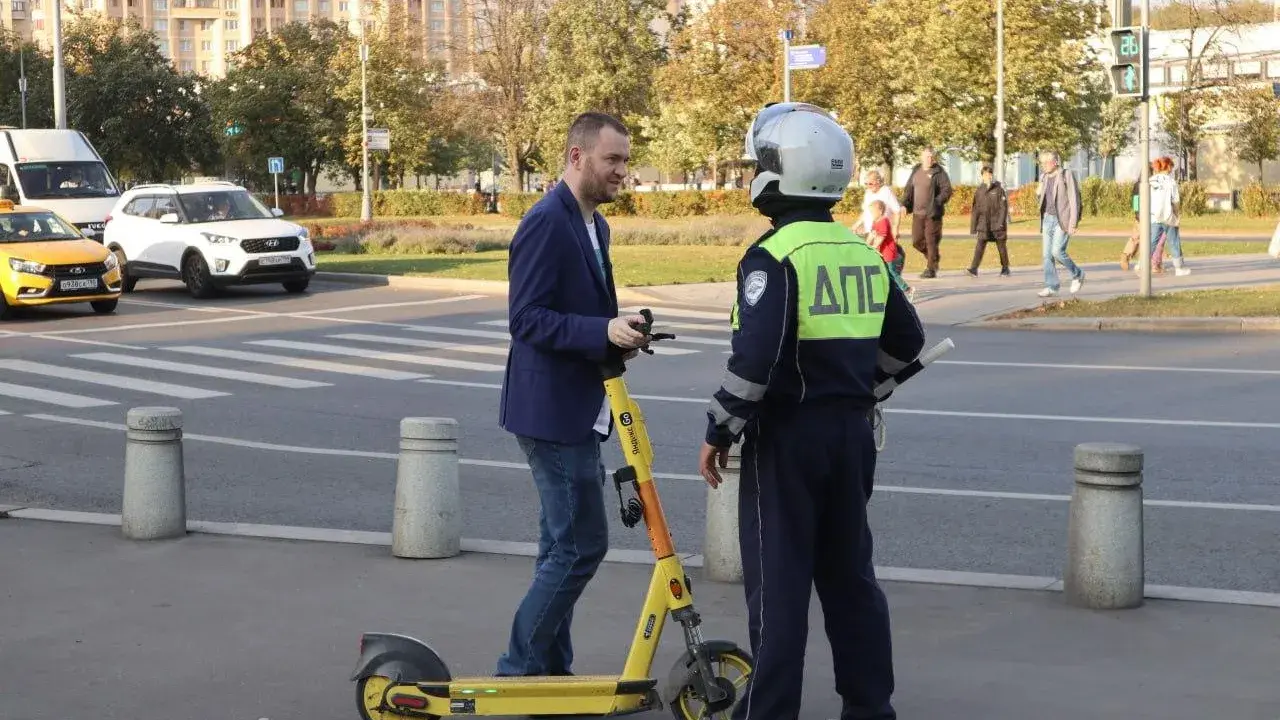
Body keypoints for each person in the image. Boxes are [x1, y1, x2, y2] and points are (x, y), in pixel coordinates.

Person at [698, 102, 926, 720]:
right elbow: (908, 341)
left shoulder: (773, 255)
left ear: (784, 171)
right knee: (851, 580)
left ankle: (770, 712)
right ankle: (870, 707)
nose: (755, 174)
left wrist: (719, 429)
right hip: (851, 436)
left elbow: (755, 362)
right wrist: (858, 384)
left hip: (788, 438)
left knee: (779, 588)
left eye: (760, 163)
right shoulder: (863, 252)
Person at [496, 111, 651, 678]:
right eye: (612, 159)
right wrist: (599, 330)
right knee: (582, 546)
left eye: (625, 160)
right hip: (552, 414)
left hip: (578, 408)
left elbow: (579, 313)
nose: (622, 171)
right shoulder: (546, 222)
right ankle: (517, 671)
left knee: (558, 549)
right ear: (577, 156)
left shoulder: (594, 225)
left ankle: (547, 676)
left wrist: (617, 334)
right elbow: (526, 319)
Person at [1035, 150, 1084, 298]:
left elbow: (1074, 200)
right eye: (1042, 163)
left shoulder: (1066, 175)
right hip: (1047, 219)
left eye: (1047, 162)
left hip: (1062, 220)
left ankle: (1078, 274)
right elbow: (1042, 200)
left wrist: (1073, 223)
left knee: (1057, 252)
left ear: (1055, 162)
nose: (1044, 165)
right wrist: (1038, 193)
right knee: (1046, 255)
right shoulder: (1044, 177)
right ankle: (1051, 286)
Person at [901, 146, 953, 279]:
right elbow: (908, 189)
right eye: (927, 156)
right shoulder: (916, 170)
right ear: (921, 157)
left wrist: (937, 202)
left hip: (933, 214)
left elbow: (947, 190)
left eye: (931, 156)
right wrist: (904, 204)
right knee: (917, 241)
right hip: (917, 213)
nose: (929, 159)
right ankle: (933, 257)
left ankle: (931, 269)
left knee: (931, 241)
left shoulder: (939, 171)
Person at [1149, 156, 1191, 276]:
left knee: (1152, 241)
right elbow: (1175, 201)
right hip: (1168, 215)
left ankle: (1143, 265)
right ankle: (1178, 268)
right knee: (1174, 241)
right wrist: (1177, 214)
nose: (1172, 169)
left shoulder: (1151, 181)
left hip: (1154, 216)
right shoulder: (1171, 182)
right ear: (1168, 167)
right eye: (1171, 166)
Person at [966, 164, 1010, 277]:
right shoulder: (979, 191)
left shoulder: (999, 190)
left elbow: (1003, 208)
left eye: (990, 174)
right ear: (982, 176)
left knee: (1001, 248)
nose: (988, 176)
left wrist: (1000, 223)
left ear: (992, 175)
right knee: (979, 246)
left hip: (997, 225)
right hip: (983, 225)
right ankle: (973, 269)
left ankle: (1005, 268)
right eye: (985, 174)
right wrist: (973, 227)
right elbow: (975, 210)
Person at [868, 198, 912, 298]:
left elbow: (881, 237)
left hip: (888, 252)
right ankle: (884, 291)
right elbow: (872, 234)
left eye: (873, 212)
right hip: (882, 252)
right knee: (882, 271)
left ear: (880, 211)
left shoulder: (884, 221)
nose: (871, 214)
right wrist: (866, 245)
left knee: (892, 272)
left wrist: (874, 246)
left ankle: (907, 289)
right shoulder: (875, 221)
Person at [852, 170, 903, 239]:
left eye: (870, 184)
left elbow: (897, 212)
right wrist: (857, 224)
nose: (868, 186)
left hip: (883, 231)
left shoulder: (886, 192)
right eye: (866, 184)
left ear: (878, 182)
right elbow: (866, 211)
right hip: (869, 231)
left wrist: (895, 229)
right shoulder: (868, 193)